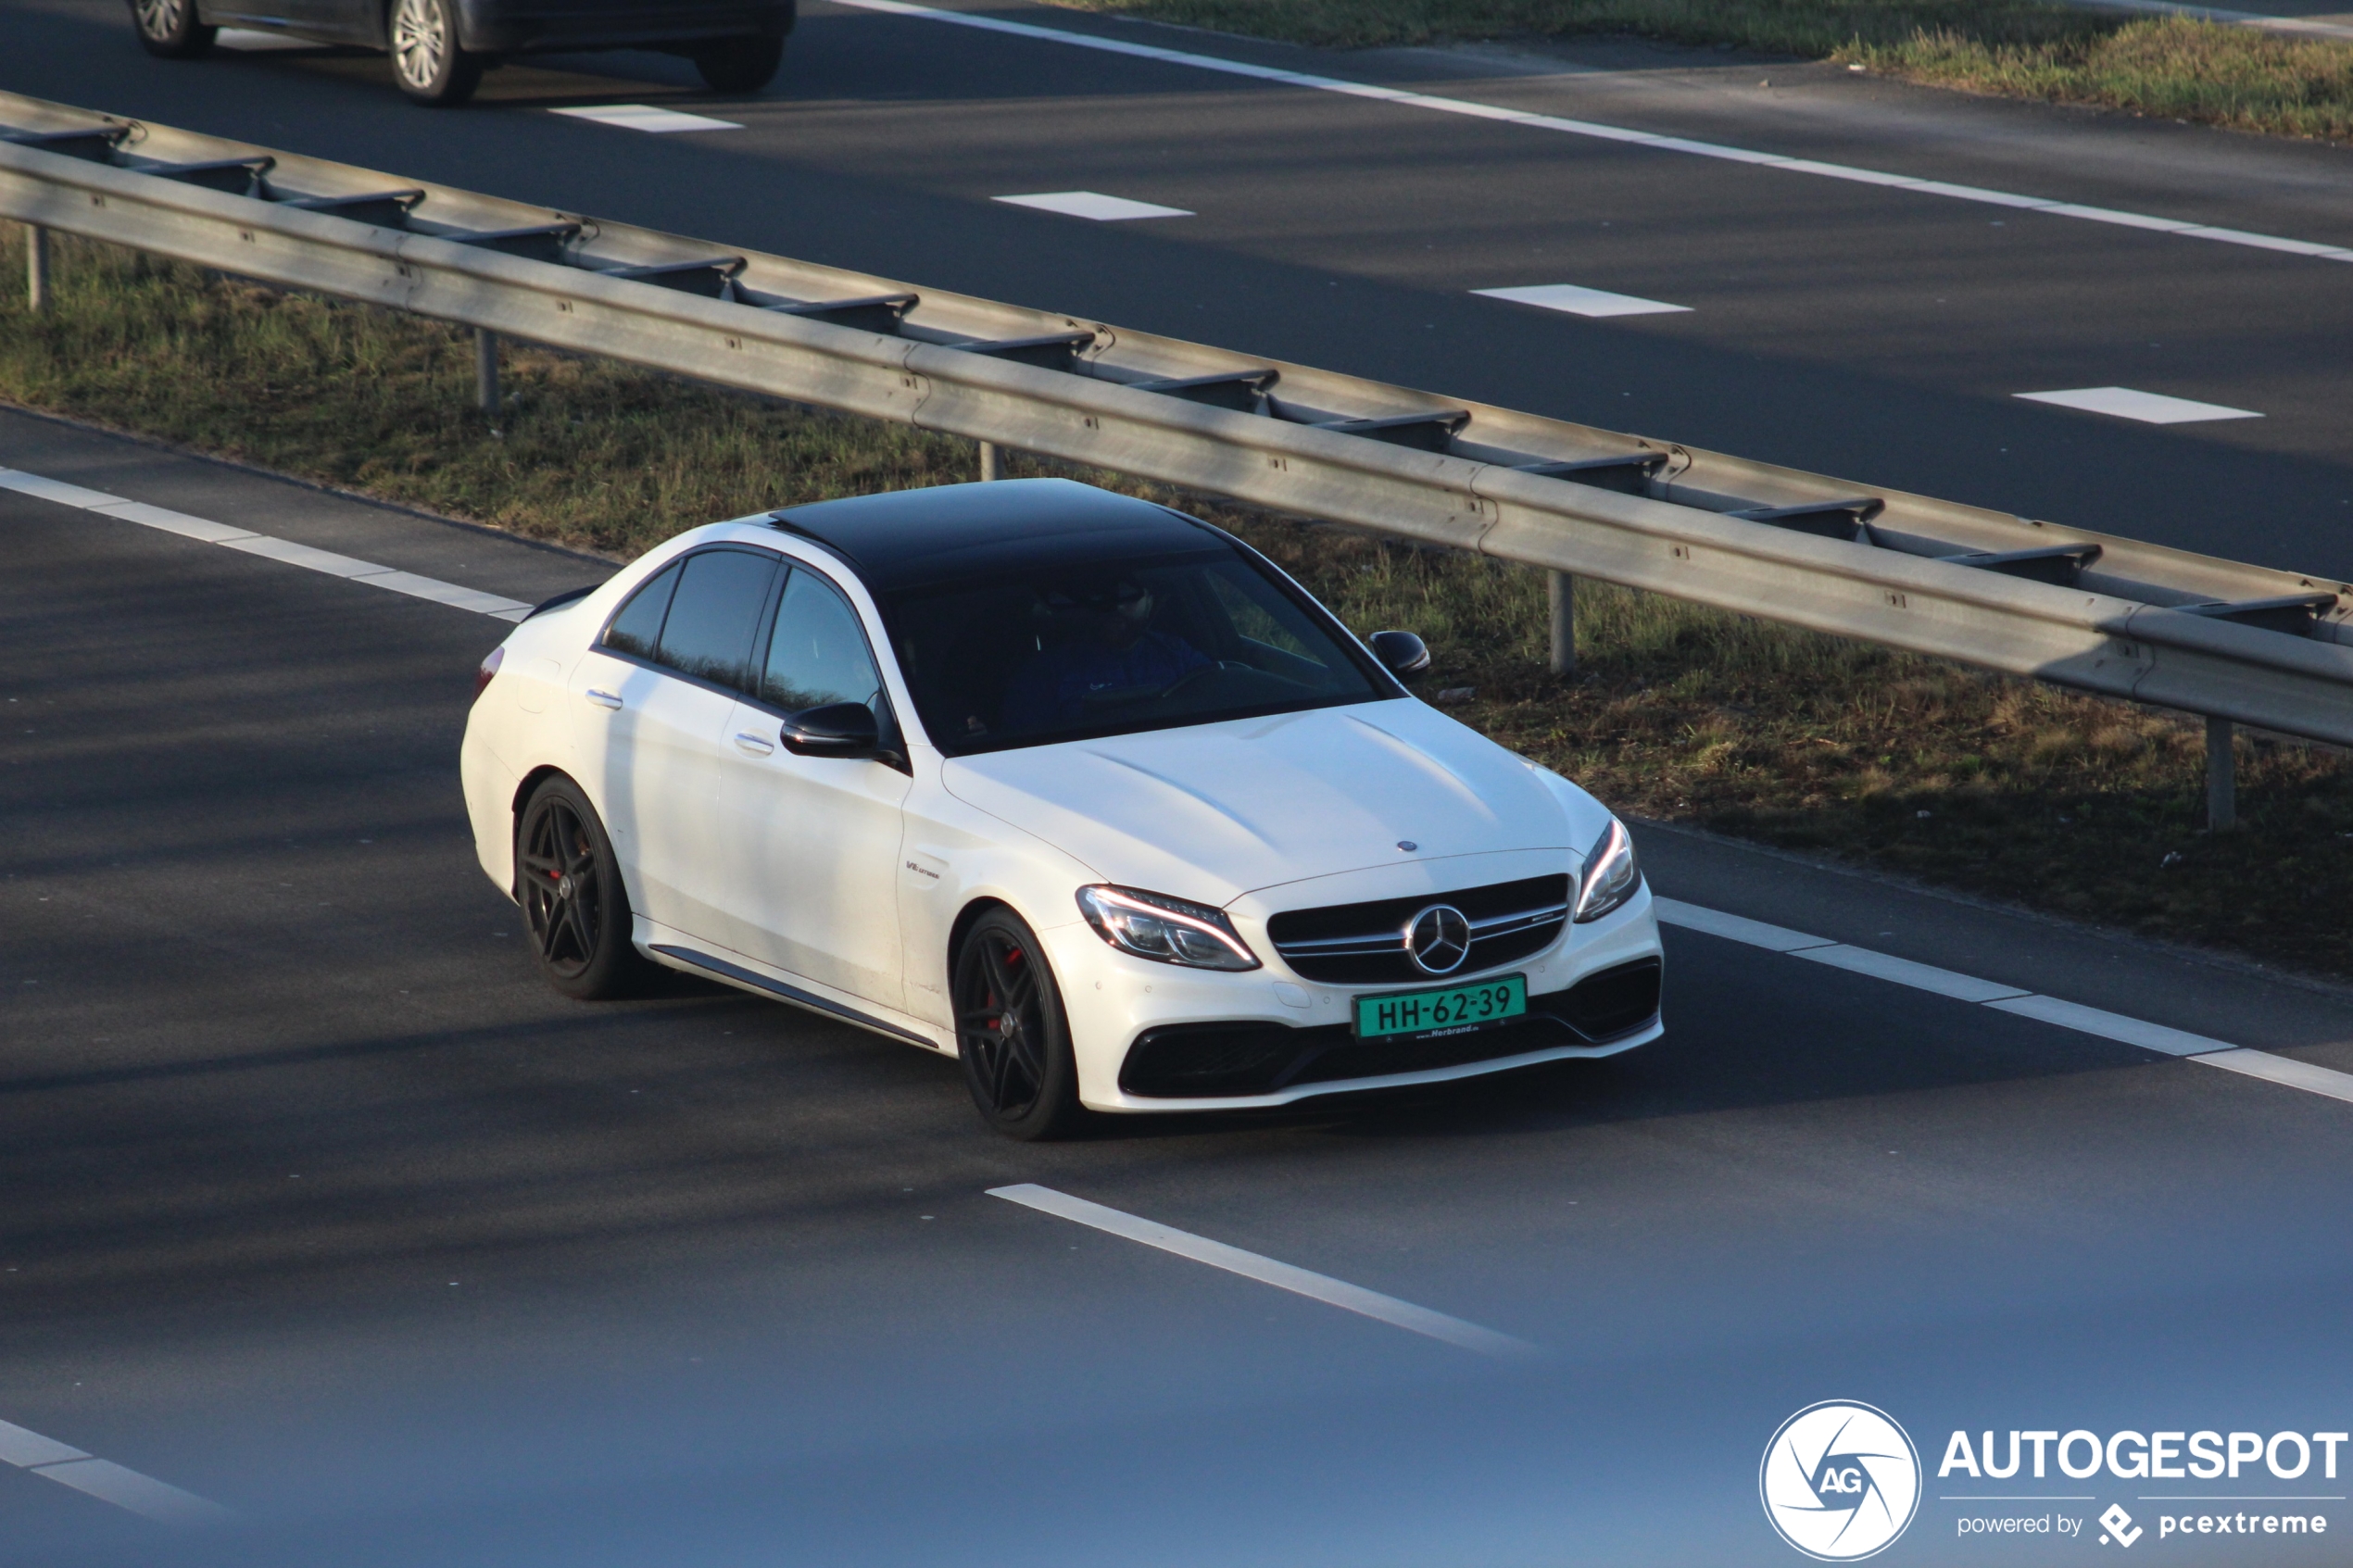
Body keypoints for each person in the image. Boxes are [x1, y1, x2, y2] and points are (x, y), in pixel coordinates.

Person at [1000, 575, 1210, 730]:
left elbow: (1219, 691)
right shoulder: (1048, 671)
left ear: (1150, 602)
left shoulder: (1176, 654)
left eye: (1130, 596)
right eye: (1104, 597)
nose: (1116, 606)